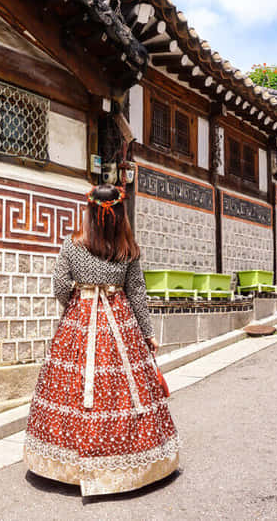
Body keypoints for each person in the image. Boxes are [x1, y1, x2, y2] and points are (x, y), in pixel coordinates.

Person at [23, 184, 180, 496]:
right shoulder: (128, 249)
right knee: (125, 388)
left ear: (91, 212)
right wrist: (146, 333)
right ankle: (130, 464)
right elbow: (136, 291)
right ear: (120, 214)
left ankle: (65, 466)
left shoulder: (72, 244)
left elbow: (59, 285)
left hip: (79, 321)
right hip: (121, 323)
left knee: (71, 385)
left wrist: (78, 304)